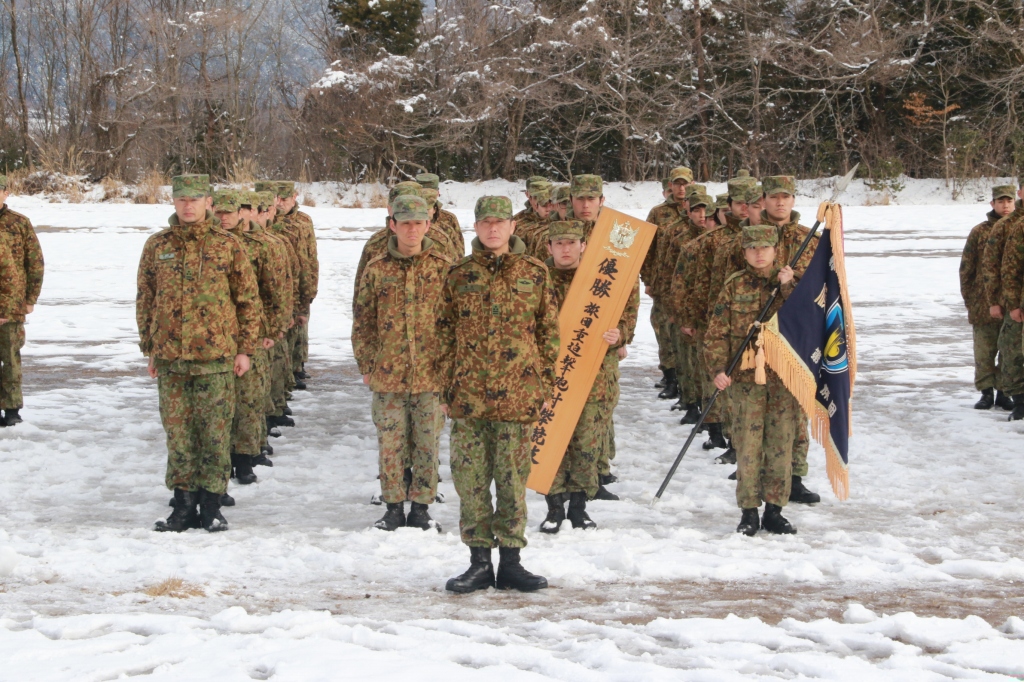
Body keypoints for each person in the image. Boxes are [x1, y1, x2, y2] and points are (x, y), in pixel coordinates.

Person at [437, 196, 559, 593]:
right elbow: (442, 333)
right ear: (475, 227)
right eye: (486, 222)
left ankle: (511, 562)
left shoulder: (535, 272)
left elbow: (548, 333)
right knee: (470, 482)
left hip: (517, 397)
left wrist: (544, 384)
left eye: (500, 222)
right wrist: (444, 387)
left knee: (511, 482)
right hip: (469, 397)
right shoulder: (459, 274)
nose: (493, 229)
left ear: (512, 226)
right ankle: (478, 563)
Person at [137, 175, 260, 533]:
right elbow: (146, 299)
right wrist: (150, 347)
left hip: (216, 358)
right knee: (178, 434)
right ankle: (183, 505)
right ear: (174, 202)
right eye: (182, 199)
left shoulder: (227, 245)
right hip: (171, 358)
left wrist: (245, 349)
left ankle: (211, 505)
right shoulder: (158, 245)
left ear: (208, 202)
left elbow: (247, 301)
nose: (188, 206)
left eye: (195, 199)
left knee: (215, 434)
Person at [353, 194, 451, 532]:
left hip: (430, 374)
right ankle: (393, 507)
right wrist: (367, 365)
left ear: (428, 224)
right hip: (388, 373)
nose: (412, 230)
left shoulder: (444, 267)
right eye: (405, 223)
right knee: (390, 444)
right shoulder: (377, 268)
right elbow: (363, 321)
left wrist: (450, 368)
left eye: (418, 223)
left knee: (427, 443)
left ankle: (421, 508)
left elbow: (456, 322)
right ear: (392, 225)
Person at [539, 220, 639, 533]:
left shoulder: (604, 277)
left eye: (572, 243)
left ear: (584, 245)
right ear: (549, 247)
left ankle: (579, 507)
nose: (566, 249)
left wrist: (620, 334)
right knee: (551, 440)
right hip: (551, 374)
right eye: (559, 243)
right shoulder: (538, 278)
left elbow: (628, 315)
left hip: (594, 375)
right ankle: (554, 506)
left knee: (587, 442)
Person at [705, 225, 800, 536]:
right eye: (752, 248)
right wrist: (718, 369)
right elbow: (717, 332)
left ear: (775, 250)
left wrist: (787, 287)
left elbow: (806, 322)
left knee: (781, 444)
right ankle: (748, 511)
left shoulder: (792, 283)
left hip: (783, 379)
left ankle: (775, 510)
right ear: (744, 252)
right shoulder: (733, 285)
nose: (759, 254)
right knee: (747, 446)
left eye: (765, 248)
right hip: (746, 380)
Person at [216, 190, 287, 491]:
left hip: (251, 331)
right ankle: (217, 468)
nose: (224, 218)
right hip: (215, 334)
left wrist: (272, 329)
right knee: (218, 405)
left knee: (248, 399)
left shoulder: (260, 245)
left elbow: (274, 290)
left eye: (230, 212)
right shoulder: (211, 245)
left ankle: (244, 459)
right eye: (218, 212)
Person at [960, 186, 1016, 411]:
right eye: (1000, 201)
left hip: (1012, 302)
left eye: (1009, 201)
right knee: (984, 350)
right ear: (992, 204)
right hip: (982, 302)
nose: (1005, 206)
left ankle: (1004, 392)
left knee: (1009, 350)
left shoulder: (1018, 229)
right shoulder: (980, 231)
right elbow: (966, 268)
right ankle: (986, 392)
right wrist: (970, 299)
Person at [644, 168, 692, 400]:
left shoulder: (700, 210)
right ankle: (670, 377)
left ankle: (688, 382)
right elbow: (647, 249)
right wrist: (648, 280)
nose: (681, 188)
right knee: (664, 330)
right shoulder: (658, 213)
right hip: (664, 283)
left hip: (690, 285)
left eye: (685, 184)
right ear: (669, 186)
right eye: (677, 184)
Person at [0, 174, 44, 426]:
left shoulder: (19, 223)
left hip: (12, 303)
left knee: (10, 356)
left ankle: (11, 409)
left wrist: (30, 298)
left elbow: (34, 262)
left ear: (6, 193)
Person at [982, 184, 1024, 419]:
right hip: (1014, 300)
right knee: (1012, 351)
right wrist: (1004, 302)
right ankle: (1018, 399)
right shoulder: (1008, 226)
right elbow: (1001, 268)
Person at [416, 172, 465, 258]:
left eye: (430, 193)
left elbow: (459, 254)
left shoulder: (449, 219)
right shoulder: (405, 220)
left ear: (438, 193)